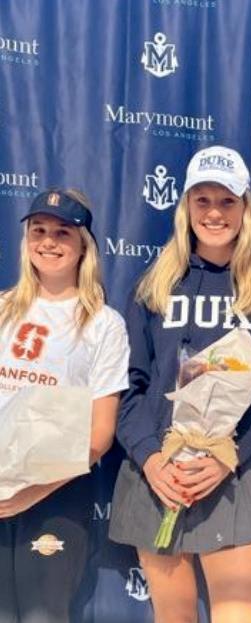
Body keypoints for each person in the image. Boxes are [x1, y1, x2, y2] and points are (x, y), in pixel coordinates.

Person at [109, 145, 251, 623]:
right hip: (159, 476)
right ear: (186, 206)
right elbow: (129, 386)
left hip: (233, 473)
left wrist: (229, 455)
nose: (214, 213)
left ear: (246, 208)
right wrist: (151, 458)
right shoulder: (154, 287)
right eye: (203, 200)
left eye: (227, 201)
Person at [0, 188, 129, 623]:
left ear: (83, 246)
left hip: (57, 495)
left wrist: (33, 492)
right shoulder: (2, 310)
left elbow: (100, 434)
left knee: (44, 616)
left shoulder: (103, 324)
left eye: (62, 233)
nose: (48, 242)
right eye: (38, 230)